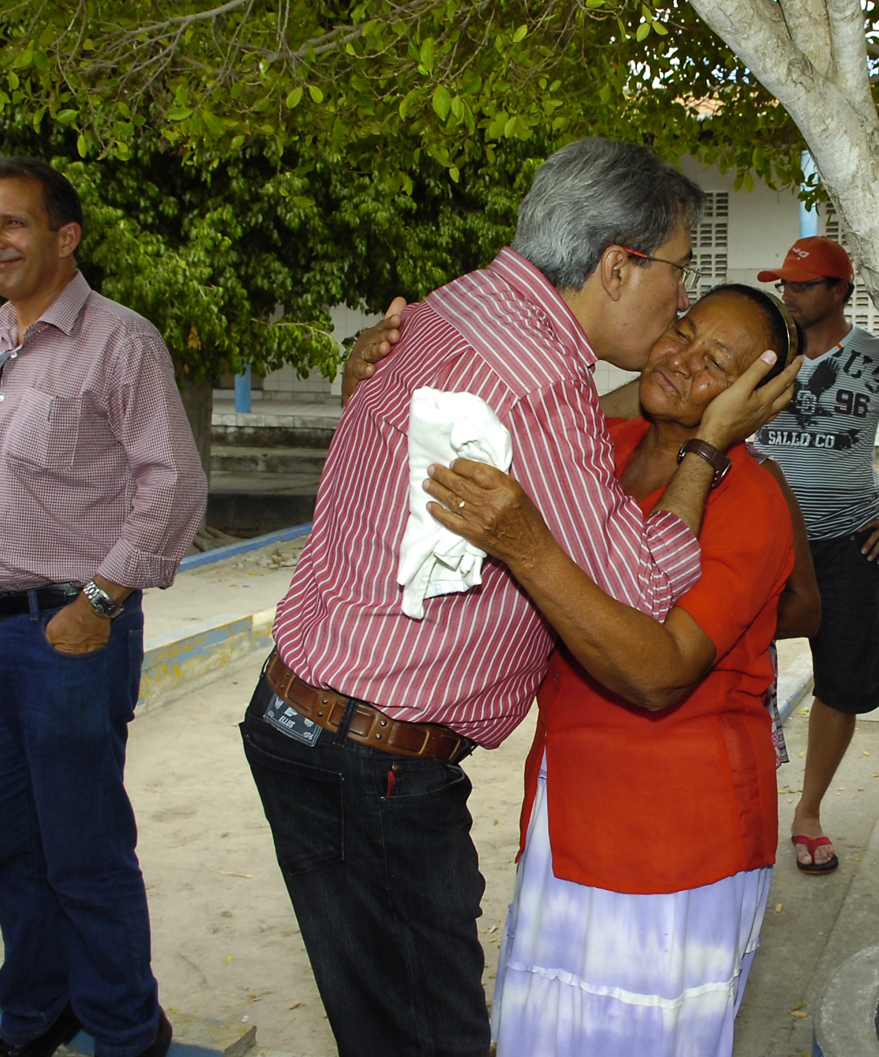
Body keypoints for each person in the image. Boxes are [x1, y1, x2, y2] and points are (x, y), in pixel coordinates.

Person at [241, 137, 799, 1057]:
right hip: (372, 757)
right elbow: (640, 587)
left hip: (330, 725)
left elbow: (687, 643)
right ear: (618, 266)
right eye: (679, 282)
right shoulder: (547, 386)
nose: (676, 313)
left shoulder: (456, 307)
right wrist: (703, 449)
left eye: (716, 358)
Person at [423, 286, 814, 1056]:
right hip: (569, 797)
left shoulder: (750, 498)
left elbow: (659, 674)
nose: (682, 359)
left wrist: (532, 550)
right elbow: (465, 437)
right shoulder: (603, 441)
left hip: (675, 831)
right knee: (543, 1030)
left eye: (717, 362)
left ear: (752, 397)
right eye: (683, 331)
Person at [0, 157, 207, 1057]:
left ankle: (125, 1028)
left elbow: (173, 483)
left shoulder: (119, 342)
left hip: (64, 640)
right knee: (5, 849)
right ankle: (39, 1010)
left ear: (65, 236)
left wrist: (99, 599)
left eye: (11, 223)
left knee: (84, 853)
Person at [753, 236, 879, 873]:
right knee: (737, 671)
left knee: (842, 684)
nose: (790, 295)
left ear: (839, 291)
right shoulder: (764, 352)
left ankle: (808, 812)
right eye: (785, 285)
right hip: (763, 538)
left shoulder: (874, 359)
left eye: (803, 285)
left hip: (849, 542)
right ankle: (744, 805)